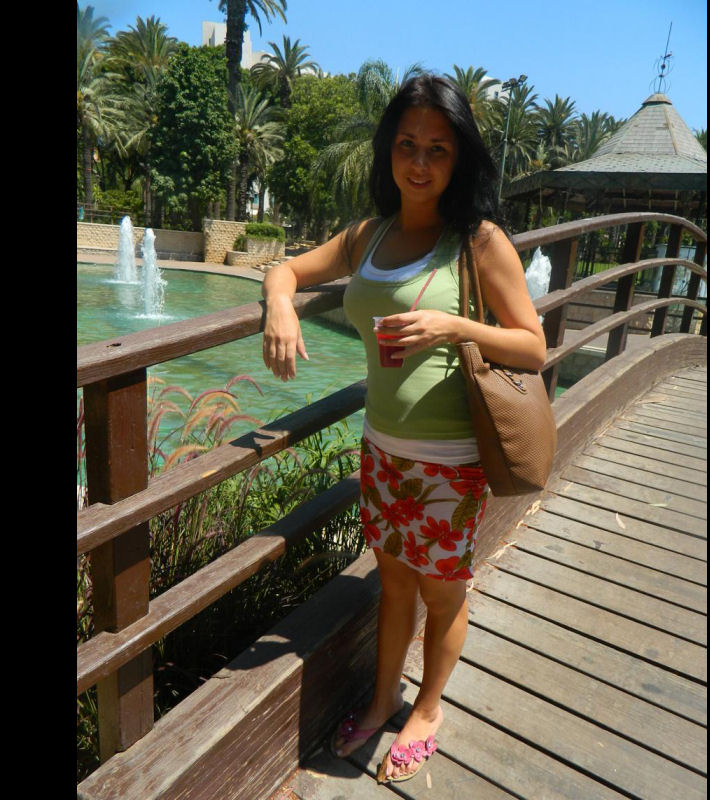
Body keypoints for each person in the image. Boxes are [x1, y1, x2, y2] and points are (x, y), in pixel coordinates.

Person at [261, 73, 546, 784]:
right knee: (393, 584)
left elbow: (533, 346)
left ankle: (427, 708)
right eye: (407, 145)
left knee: (442, 592)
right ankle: (384, 695)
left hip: (452, 461)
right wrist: (280, 306)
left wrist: (454, 327)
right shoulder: (369, 234)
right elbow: (286, 270)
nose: (420, 163)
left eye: (438, 149)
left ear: (460, 158)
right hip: (382, 451)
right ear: (388, 149)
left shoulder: (478, 241)